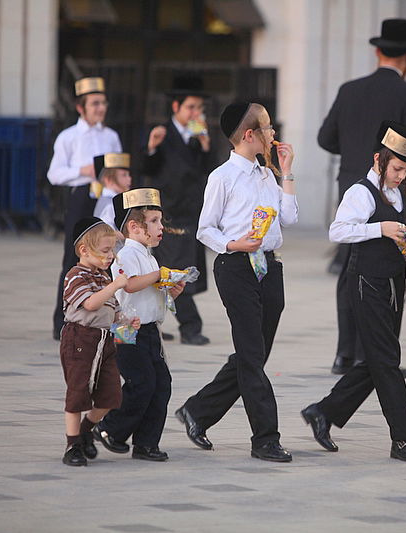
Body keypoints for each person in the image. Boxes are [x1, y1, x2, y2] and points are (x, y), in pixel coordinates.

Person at [301, 121, 406, 463]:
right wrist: (381, 228)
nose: (401, 176)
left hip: (394, 283)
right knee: (388, 361)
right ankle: (403, 439)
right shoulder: (361, 192)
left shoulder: (405, 193)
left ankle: (324, 412)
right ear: (379, 160)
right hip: (365, 283)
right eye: (397, 169)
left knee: (378, 358)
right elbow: (338, 231)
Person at [176, 102, 298, 463]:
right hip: (235, 268)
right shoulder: (222, 177)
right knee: (251, 354)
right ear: (249, 135)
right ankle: (265, 437)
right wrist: (233, 244)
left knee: (253, 355)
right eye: (268, 127)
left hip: (269, 268)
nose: (274, 133)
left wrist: (287, 173)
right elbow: (204, 230)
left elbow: (288, 218)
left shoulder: (266, 175)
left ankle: (198, 411)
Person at [318, 18, 406, 376]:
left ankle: (344, 355)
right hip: (390, 189)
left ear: (377, 51)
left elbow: (325, 138)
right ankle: (379, 357)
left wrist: (354, 156)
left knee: (350, 265)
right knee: (384, 269)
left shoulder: (350, 89)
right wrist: (400, 171)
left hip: (352, 181)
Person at [92, 188, 186, 462]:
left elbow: (150, 289)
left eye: (160, 221)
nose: (160, 228)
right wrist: (159, 275)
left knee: (162, 385)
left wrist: (169, 290)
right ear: (134, 227)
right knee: (141, 383)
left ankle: (146, 443)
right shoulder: (125, 255)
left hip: (150, 331)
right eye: (154, 221)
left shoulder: (149, 255)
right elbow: (130, 285)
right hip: (127, 329)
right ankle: (110, 428)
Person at [59, 217, 139, 466]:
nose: (111, 257)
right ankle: (72, 445)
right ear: (84, 250)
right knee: (78, 392)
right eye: (106, 251)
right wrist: (115, 285)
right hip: (80, 339)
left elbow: (109, 310)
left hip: (105, 341)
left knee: (110, 395)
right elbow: (91, 303)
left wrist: (125, 321)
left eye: (113, 250)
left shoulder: (103, 278)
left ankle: (86, 431)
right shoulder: (75, 276)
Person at [49, 77, 122, 340]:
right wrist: (84, 171)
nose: (100, 108)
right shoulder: (69, 137)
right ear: (81, 107)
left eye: (103, 103)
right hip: (82, 195)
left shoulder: (111, 136)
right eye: (95, 104)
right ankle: (63, 318)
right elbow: (54, 174)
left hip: (107, 198)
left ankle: (109, 315)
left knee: (108, 256)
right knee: (73, 256)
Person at [143, 74, 211, 346]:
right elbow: (147, 169)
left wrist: (205, 145)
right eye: (191, 107)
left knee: (170, 268)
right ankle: (190, 327)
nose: (196, 113)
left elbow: (210, 169)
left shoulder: (199, 137)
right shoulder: (161, 133)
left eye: (199, 108)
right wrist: (151, 147)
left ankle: (151, 320)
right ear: (176, 108)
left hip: (191, 211)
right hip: (167, 213)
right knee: (176, 269)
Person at [93, 153, 132, 230]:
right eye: (124, 175)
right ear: (108, 180)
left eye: (129, 175)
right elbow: (108, 233)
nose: (129, 178)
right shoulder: (110, 206)